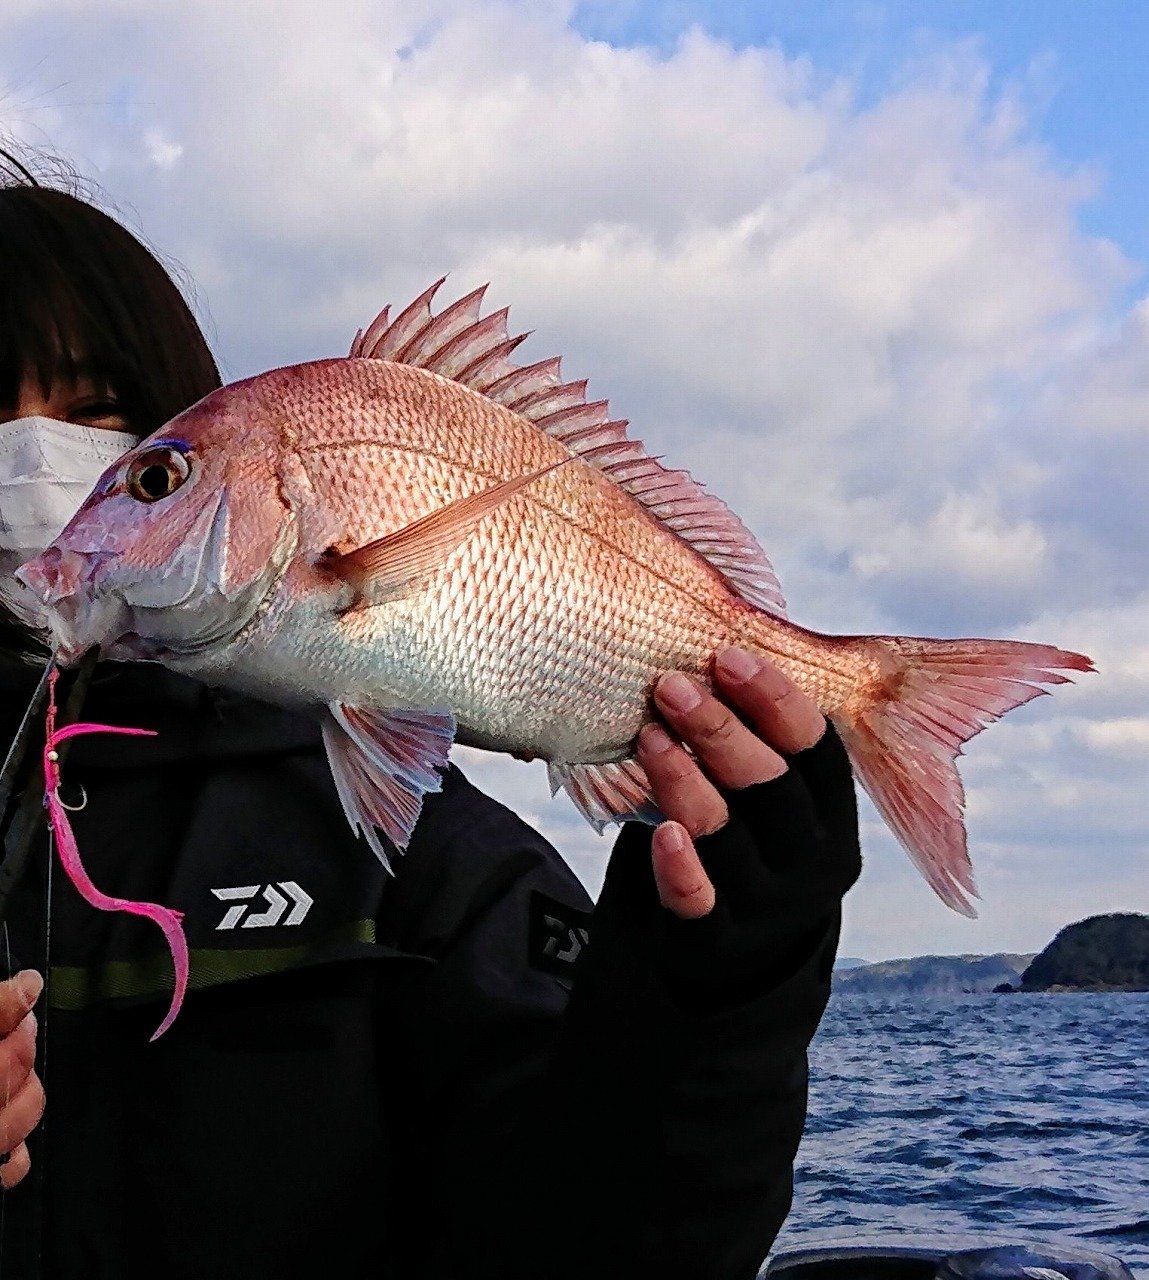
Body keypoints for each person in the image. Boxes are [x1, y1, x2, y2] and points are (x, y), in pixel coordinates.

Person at [0, 157, 861, 1280]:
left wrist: (719, 989)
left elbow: (603, 1248)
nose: (32, 461)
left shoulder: (422, 863)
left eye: (105, 415)